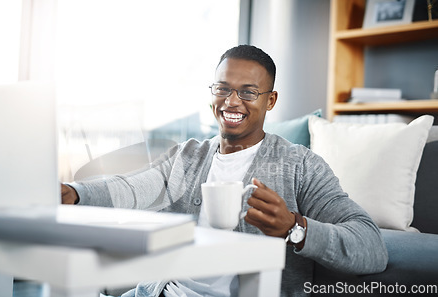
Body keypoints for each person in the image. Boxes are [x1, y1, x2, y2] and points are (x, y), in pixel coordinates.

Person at [61, 45, 388, 297]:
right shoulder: (188, 157)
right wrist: (75, 193)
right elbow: (131, 187)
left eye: (248, 92)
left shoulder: (300, 166)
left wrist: (294, 228)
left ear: (270, 100)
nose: (232, 102)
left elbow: (371, 247)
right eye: (222, 89)